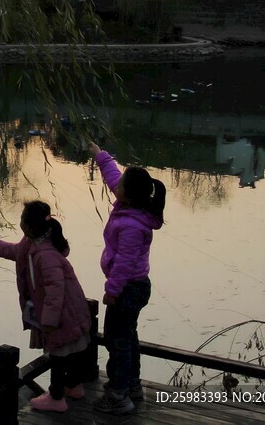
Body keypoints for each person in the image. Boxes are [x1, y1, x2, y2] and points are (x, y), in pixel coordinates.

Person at [0, 200, 91, 413]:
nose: (20, 222)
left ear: (29, 226)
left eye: (22, 219)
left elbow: (55, 291)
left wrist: (48, 321)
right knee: (72, 349)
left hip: (62, 313)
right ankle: (74, 386)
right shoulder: (32, 244)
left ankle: (57, 397)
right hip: (68, 310)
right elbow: (14, 252)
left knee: (58, 354)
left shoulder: (45, 255)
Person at [88, 142, 166, 415]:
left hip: (128, 288)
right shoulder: (131, 206)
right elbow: (113, 176)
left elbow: (124, 263)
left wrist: (112, 290)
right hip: (133, 287)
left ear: (128, 196)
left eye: (121, 185)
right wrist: (100, 155)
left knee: (116, 341)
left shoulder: (133, 226)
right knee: (127, 338)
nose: (115, 186)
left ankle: (118, 396)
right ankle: (132, 385)